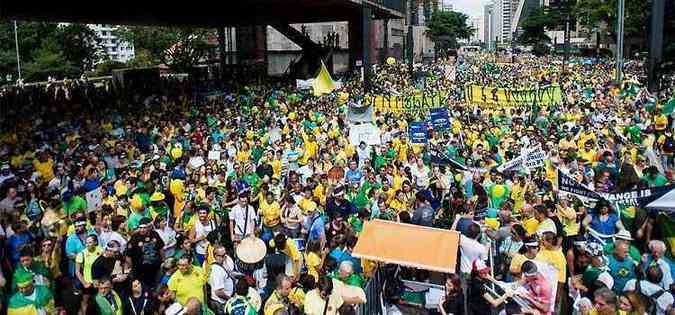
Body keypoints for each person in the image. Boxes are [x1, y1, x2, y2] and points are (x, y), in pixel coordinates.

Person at [127, 217, 165, 287]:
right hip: (140, 271)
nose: (142, 230)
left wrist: (163, 261)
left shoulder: (155, 234)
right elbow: (128, 255)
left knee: (155, 286)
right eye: (141, 228)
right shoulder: (134, 238)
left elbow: (161, 248)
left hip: (154, 268)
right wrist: (131, 268)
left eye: (145, 227)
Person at [75, 233, 102, 315]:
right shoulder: (81, 254)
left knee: (100, 302)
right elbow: (77, 271)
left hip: (99, 282)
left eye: (90, 242)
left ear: (95, 243)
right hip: (88, 283)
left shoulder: (101, 251)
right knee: (85, 301)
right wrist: (85, 283)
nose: (87, 244)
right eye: (86, 242)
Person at [209, 246, 235, 315]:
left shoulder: (221, 263)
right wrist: (231, 299)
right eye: (222, 256)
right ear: (215, 256)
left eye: (225, 255)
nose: (224, 258)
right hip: (221, 303)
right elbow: (218, 292)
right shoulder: (217, 271)